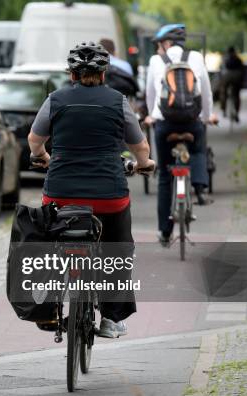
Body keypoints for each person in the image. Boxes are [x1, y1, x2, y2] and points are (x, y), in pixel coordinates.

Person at [27, 41, 155, 339]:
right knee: (118, 247)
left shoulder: (55, 100)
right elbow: (140, 146)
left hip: (60, 193)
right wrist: (144, 163)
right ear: (104, 73)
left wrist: (43, 157)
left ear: (71, 74)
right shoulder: (118, 101)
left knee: (48, 238)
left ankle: (47, 302)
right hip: (108, 197)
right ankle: (111, 318)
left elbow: (35, 140)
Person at [144, 23, 219, 246]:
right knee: (197, 146)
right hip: (190, 121)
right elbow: (205, 91)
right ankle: (200, 186)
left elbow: (150, 93)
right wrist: (207, 115)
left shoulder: (156, 61)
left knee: (165, 176)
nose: (158, 49)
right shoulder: (195, 57)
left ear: (167, 43)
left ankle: (164, 232)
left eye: (159, 45)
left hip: (165, 122)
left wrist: (152, 114)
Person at [220, 46, 245, 122]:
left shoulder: (226, 59)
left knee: (223, 91)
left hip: (228, 76)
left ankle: (224, 110)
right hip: (238, 77)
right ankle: (237, 113)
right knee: (236, 94)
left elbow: (222, 69)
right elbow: (243, 70)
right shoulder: (239, 59)